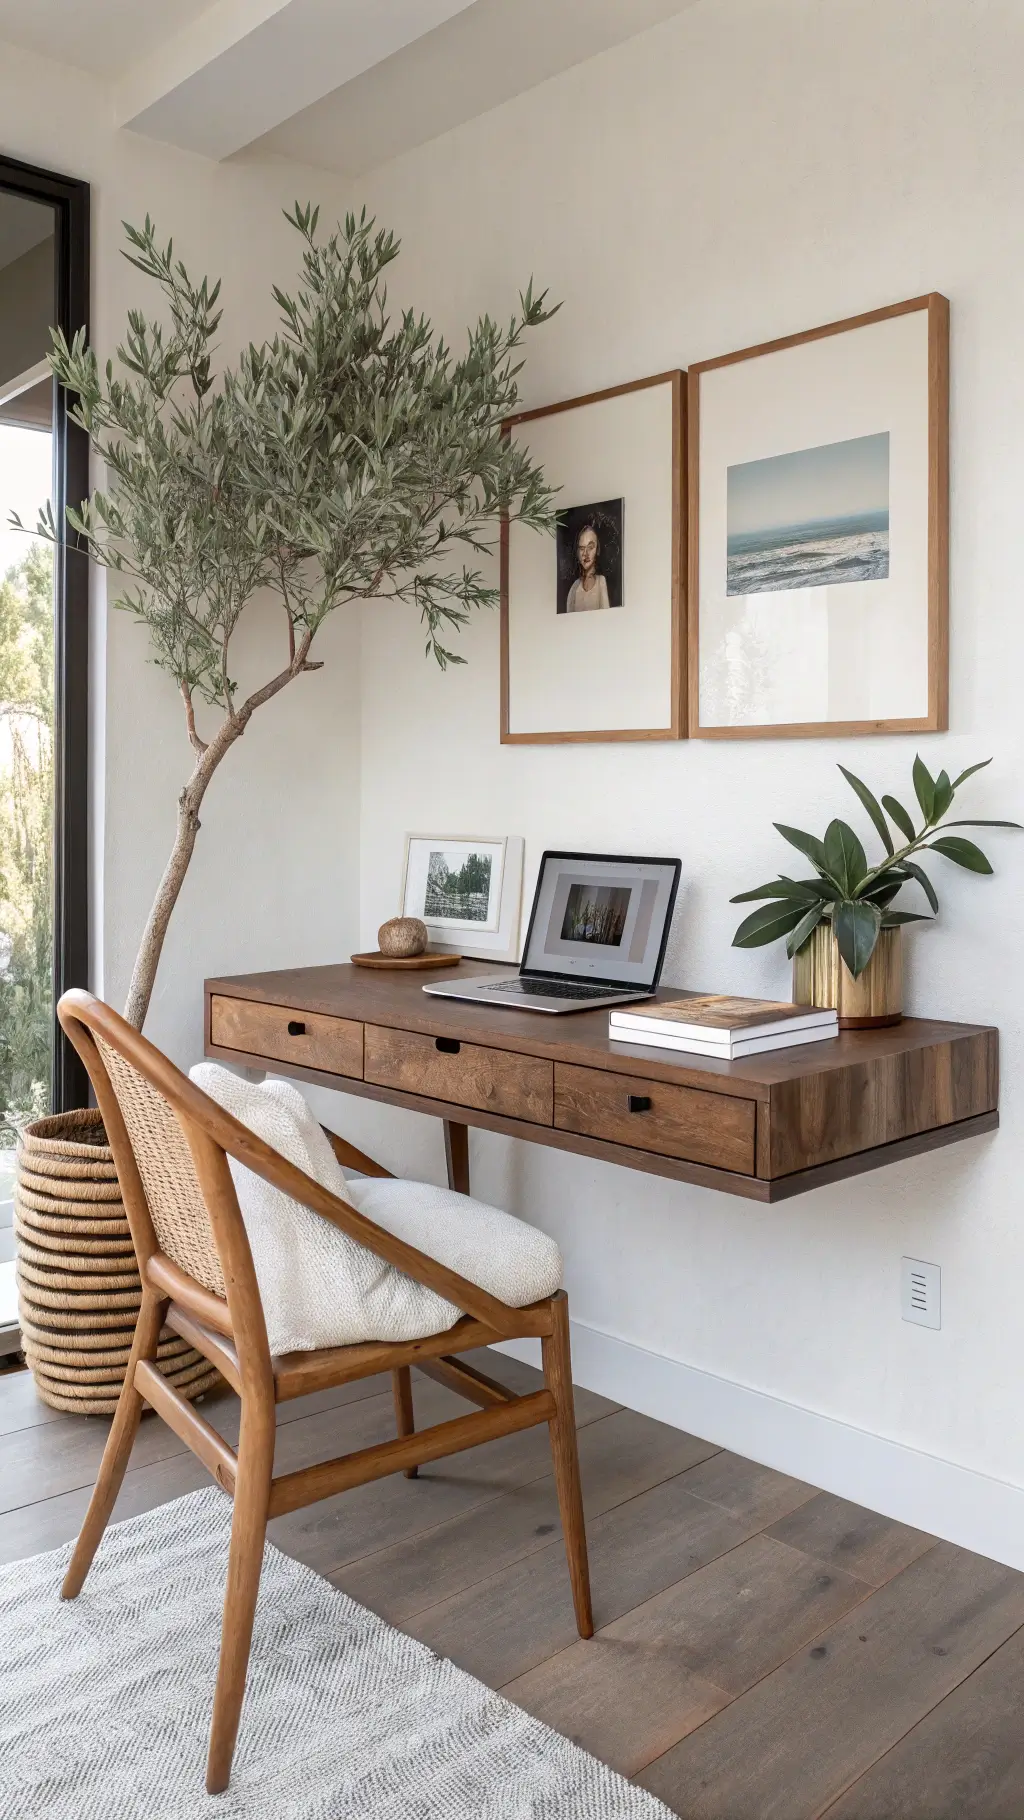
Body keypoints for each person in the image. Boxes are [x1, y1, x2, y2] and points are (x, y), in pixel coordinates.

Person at [565, 523, 611, 612]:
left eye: (590, 547)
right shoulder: (574, 587)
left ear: (597, 550)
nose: (585, 553)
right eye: (582, 548)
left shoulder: (601, 582)